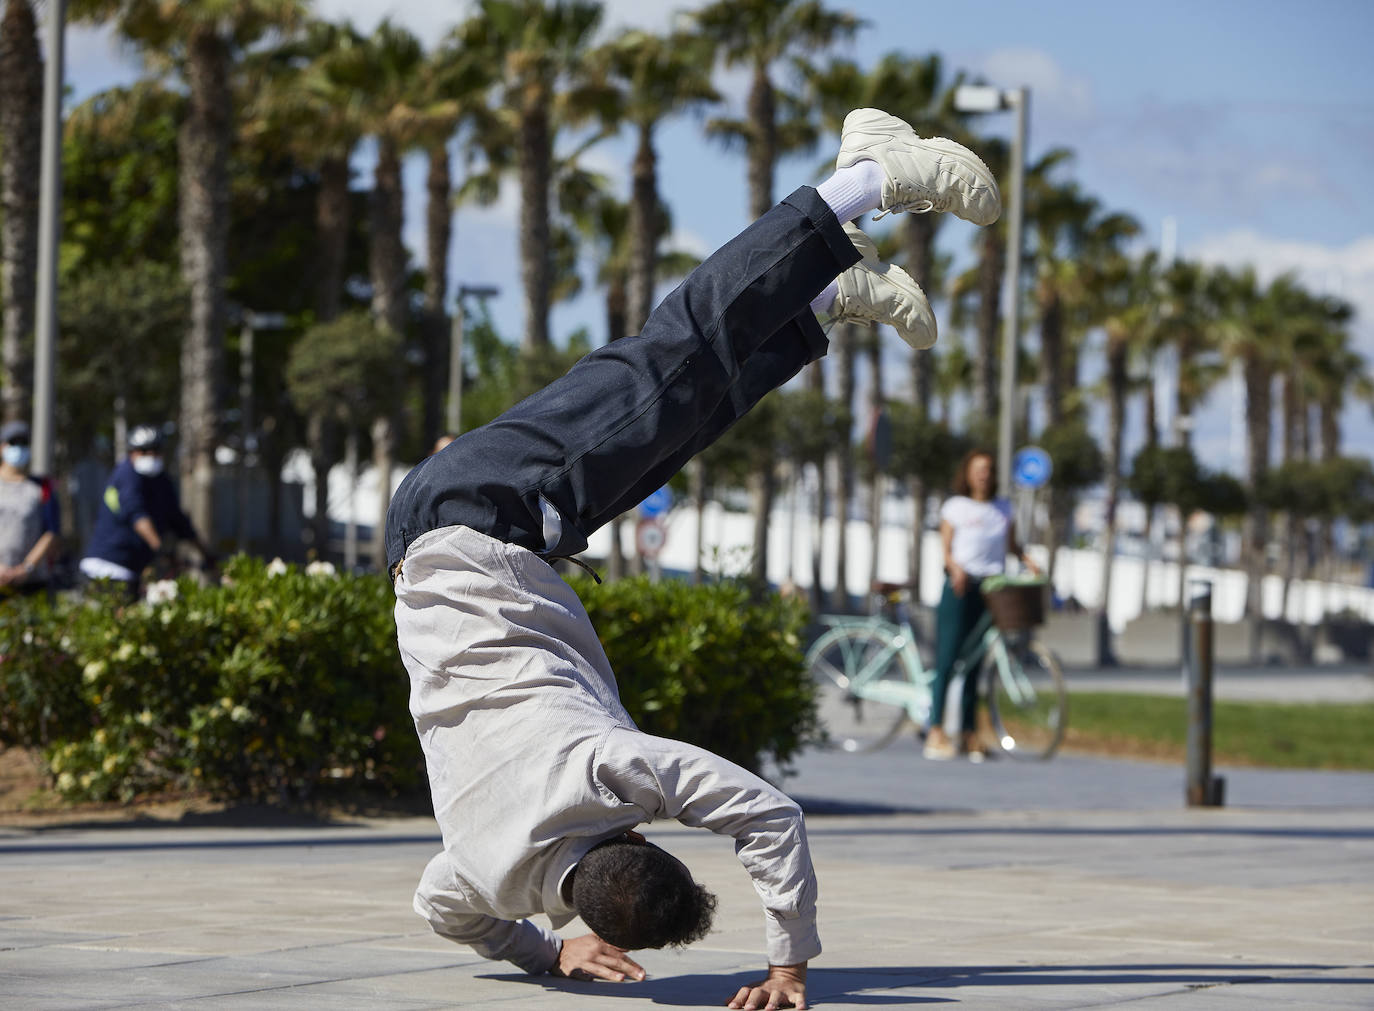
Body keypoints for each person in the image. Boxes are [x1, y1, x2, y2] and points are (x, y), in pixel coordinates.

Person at [385, 107, 1000, 1011]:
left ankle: (862, 181)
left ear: (637, 840)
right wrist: (543, 955)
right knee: (675, 429)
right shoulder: (484, 869)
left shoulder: (606, 767)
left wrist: (789, 963)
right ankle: (820, 305)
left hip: (476, 510)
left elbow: (768, 815)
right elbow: (439, 904)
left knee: (667, 362)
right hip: (456, 550)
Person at [924, 448, 1038, 762]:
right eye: (978, 469)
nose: (983, 475)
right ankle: (935, 730)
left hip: (992, 589)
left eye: (988, 469)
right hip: (960, 587)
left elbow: (1012, 545)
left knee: (975, 662)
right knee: (947, 659)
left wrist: (1029, 562)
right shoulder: (956, 507)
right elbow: (945, 547)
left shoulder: (1003, 508)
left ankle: (969, 732)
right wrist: (955, 568)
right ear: (968, 473)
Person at [78, 425, 214, 597]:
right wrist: (160, 547)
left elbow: (179, 522)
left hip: (134, 571)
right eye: (144, 452)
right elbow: (138, 517)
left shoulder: (161, 481)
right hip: (107, 569)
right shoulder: (126, 476)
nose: (151, 457)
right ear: (132, 453)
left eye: (155, 452)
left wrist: (206, 554)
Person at [0, 421, 60, 597]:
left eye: (23, 443)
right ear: (2, 447)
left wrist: (26, 568)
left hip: (32, 581)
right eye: (13, 443)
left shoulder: (42, 486)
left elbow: (52, 531)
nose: (18, 448)